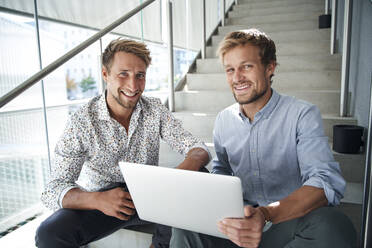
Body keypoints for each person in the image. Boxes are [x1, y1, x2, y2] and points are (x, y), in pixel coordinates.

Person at [170, 29, 357, 248]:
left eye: (246, 67)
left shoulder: (302, 114)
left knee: (334, 224)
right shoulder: (223, 120)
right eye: (230, 70)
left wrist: (266, 214)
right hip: (239, 225)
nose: (237, 77)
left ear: (270, 68)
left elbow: (324, 182)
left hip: (286, 222)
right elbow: (223, 172)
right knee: (184, 224)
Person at [35, 38, 210, 248]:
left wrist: (177, 177)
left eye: (140, 76)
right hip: (102, 203)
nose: (133, 85)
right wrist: (97, 200)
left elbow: (198, 148)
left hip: (150, 197)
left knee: (200, 174)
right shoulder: (82, 121)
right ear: (105, 75)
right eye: (123, 74)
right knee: (48, 234)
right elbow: (52, 190)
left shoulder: (154, 109)